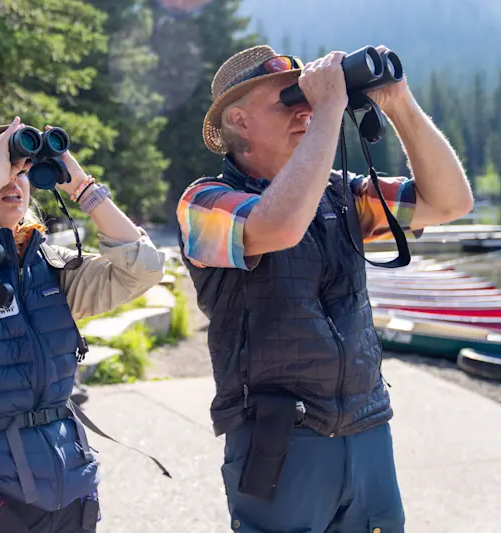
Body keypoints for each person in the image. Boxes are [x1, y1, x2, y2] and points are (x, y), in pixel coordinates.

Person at [177, 45, 473, 533]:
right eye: (288, 100)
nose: (306, 108)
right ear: (239, 120)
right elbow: (282, 225)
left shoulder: (343, 195)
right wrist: (329, 109)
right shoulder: (205, 203)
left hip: (366, 425)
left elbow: (449, 201)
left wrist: (398, 101)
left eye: (308, 98)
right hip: (280, 439)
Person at [0, 117, 166, 532]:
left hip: (66, 485)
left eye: (21, 171)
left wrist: (80, 186)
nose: (13, 179)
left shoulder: (48, 267)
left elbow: (143, 268)